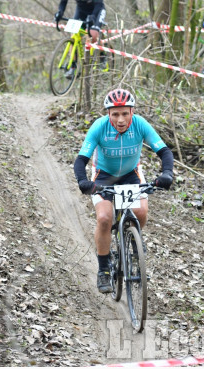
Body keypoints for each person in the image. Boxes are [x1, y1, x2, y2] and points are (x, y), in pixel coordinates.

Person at [73, 89, 174, 293]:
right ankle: (103, 270)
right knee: (104, 218)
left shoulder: (140, 124)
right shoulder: (99, 127)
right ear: (108, 114)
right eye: (115, 114)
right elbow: (81, 160)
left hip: (130, 174)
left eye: (125, 113)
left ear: (132, 111)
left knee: (141, 212)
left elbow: (164, 152)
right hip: (104, 175)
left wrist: (167, 173)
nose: (120, 119)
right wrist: (83, 181)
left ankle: (133, 238)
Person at [54, 0, 107, 78]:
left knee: (93, 34)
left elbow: (98, 3)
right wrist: (59, 13)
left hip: (96, 10)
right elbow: (63, 1)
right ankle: (72, 66)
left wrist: (93, 17)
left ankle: (103, 58)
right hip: (81, 11)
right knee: (74, 35)